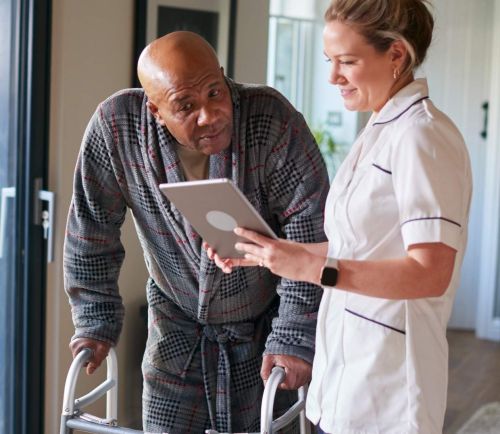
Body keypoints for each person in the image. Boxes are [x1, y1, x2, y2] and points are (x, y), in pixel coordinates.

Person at [207, 0, 472, 433]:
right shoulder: (380, 131)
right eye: (329, 60)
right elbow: (361, 247)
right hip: (346, 381)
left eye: (347, 61)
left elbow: (431, 272)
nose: (333, 76)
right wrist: (272, 253)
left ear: (396, 54)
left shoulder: (422, 136)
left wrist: (311, 268)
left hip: (388, 394)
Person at [63, 31, 329, 433]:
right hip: (175, 321)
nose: (209, 115)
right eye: (186, 106)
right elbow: (91, 229)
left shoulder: (270, 119)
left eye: (215, 93)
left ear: (222, 76)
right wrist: (95, 320)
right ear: (155, 111)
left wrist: (294, 334)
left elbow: (311, 231)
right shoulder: (116, 129)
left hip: (267, 324)